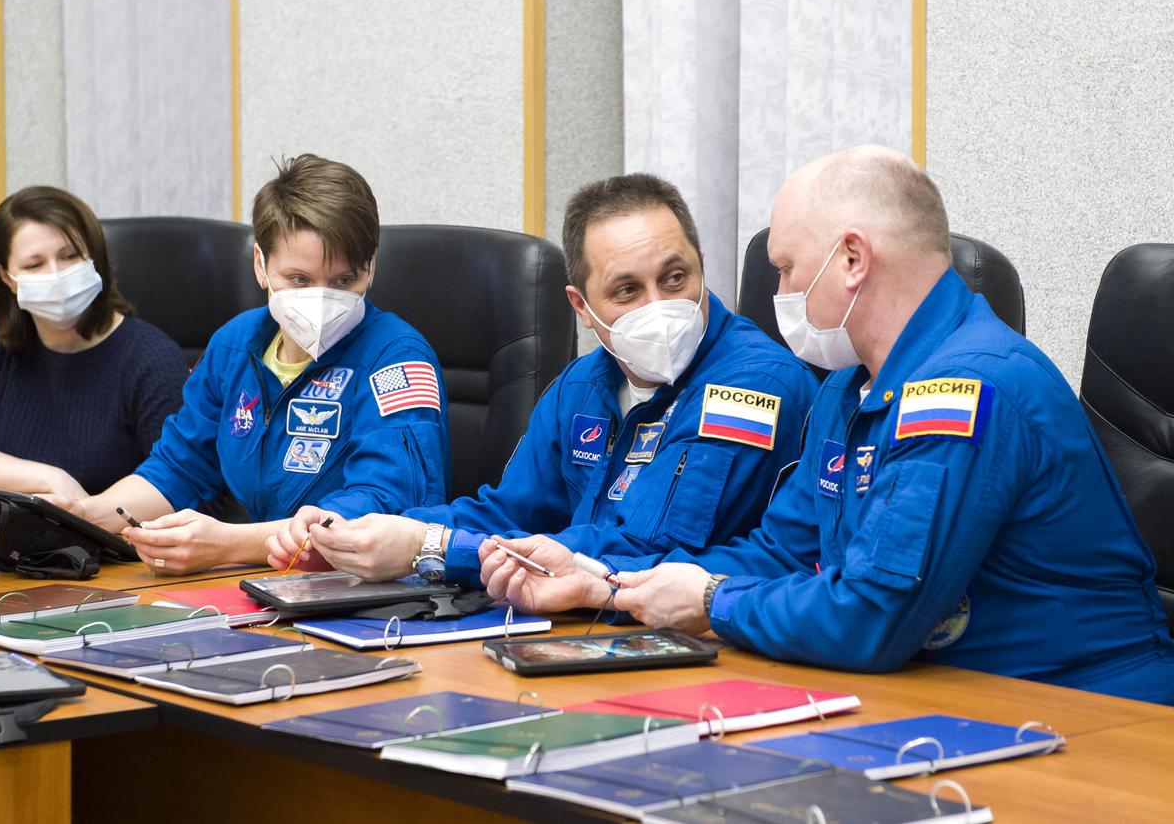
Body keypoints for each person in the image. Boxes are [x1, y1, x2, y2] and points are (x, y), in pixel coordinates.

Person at [482, 145, 1174, 705]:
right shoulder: (848, 390)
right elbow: (781, 553)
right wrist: (603, 582)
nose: (778, 294)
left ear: (851, 259)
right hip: (945, 696)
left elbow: (872, 612)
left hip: (1086, 711)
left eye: (786, 269)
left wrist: (715, 601)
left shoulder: (965, 387)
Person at [268, 173, 817, 587]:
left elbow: (641, 547)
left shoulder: (752, 387)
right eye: (627, 290)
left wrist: (431, 547)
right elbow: (508, 512)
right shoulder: (582, 386)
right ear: (581, 306)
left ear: (702, 265)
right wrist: (354, 526)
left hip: (694, 646)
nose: (658, 305)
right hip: (577, 626)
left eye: (675, 278)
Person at [63, 155, 450, 575]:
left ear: (371, 266)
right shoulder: (235, 345)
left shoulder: (396, 358)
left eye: (344, 281)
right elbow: (179, 466)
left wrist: (228, 544)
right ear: (260, 265)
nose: (322, 299)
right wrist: (85, 514)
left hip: (360, 590)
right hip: (266, 581)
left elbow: (383, 508)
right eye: (299, 280)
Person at [0, 186, 188, 498]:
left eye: (70, 256)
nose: (56, 275)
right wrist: (50, 479)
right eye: (34, 265)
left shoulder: (151, 358)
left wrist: (88, 511)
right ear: (6, 277)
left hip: (113, 529)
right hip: (14, 527)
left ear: (94, 258)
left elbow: (185, 484)